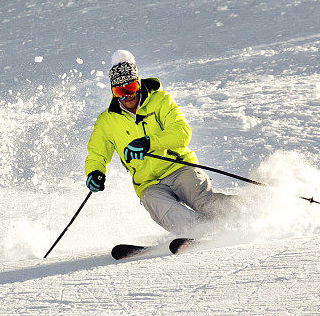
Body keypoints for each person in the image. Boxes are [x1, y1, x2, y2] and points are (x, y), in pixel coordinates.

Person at [85, 50, 237, 236]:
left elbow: (182, 133)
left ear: (138, 84)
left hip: (179, 168)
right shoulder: (106, 121)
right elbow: (97, 153)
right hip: (148, 183)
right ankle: (199, 231)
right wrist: (95, 172)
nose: (127, 96)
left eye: (130, 87)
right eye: (120, 91)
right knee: (159, 204)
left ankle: (241, 213)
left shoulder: (161, 101)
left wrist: (149, 142)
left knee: (203, 201)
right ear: (113, 93)